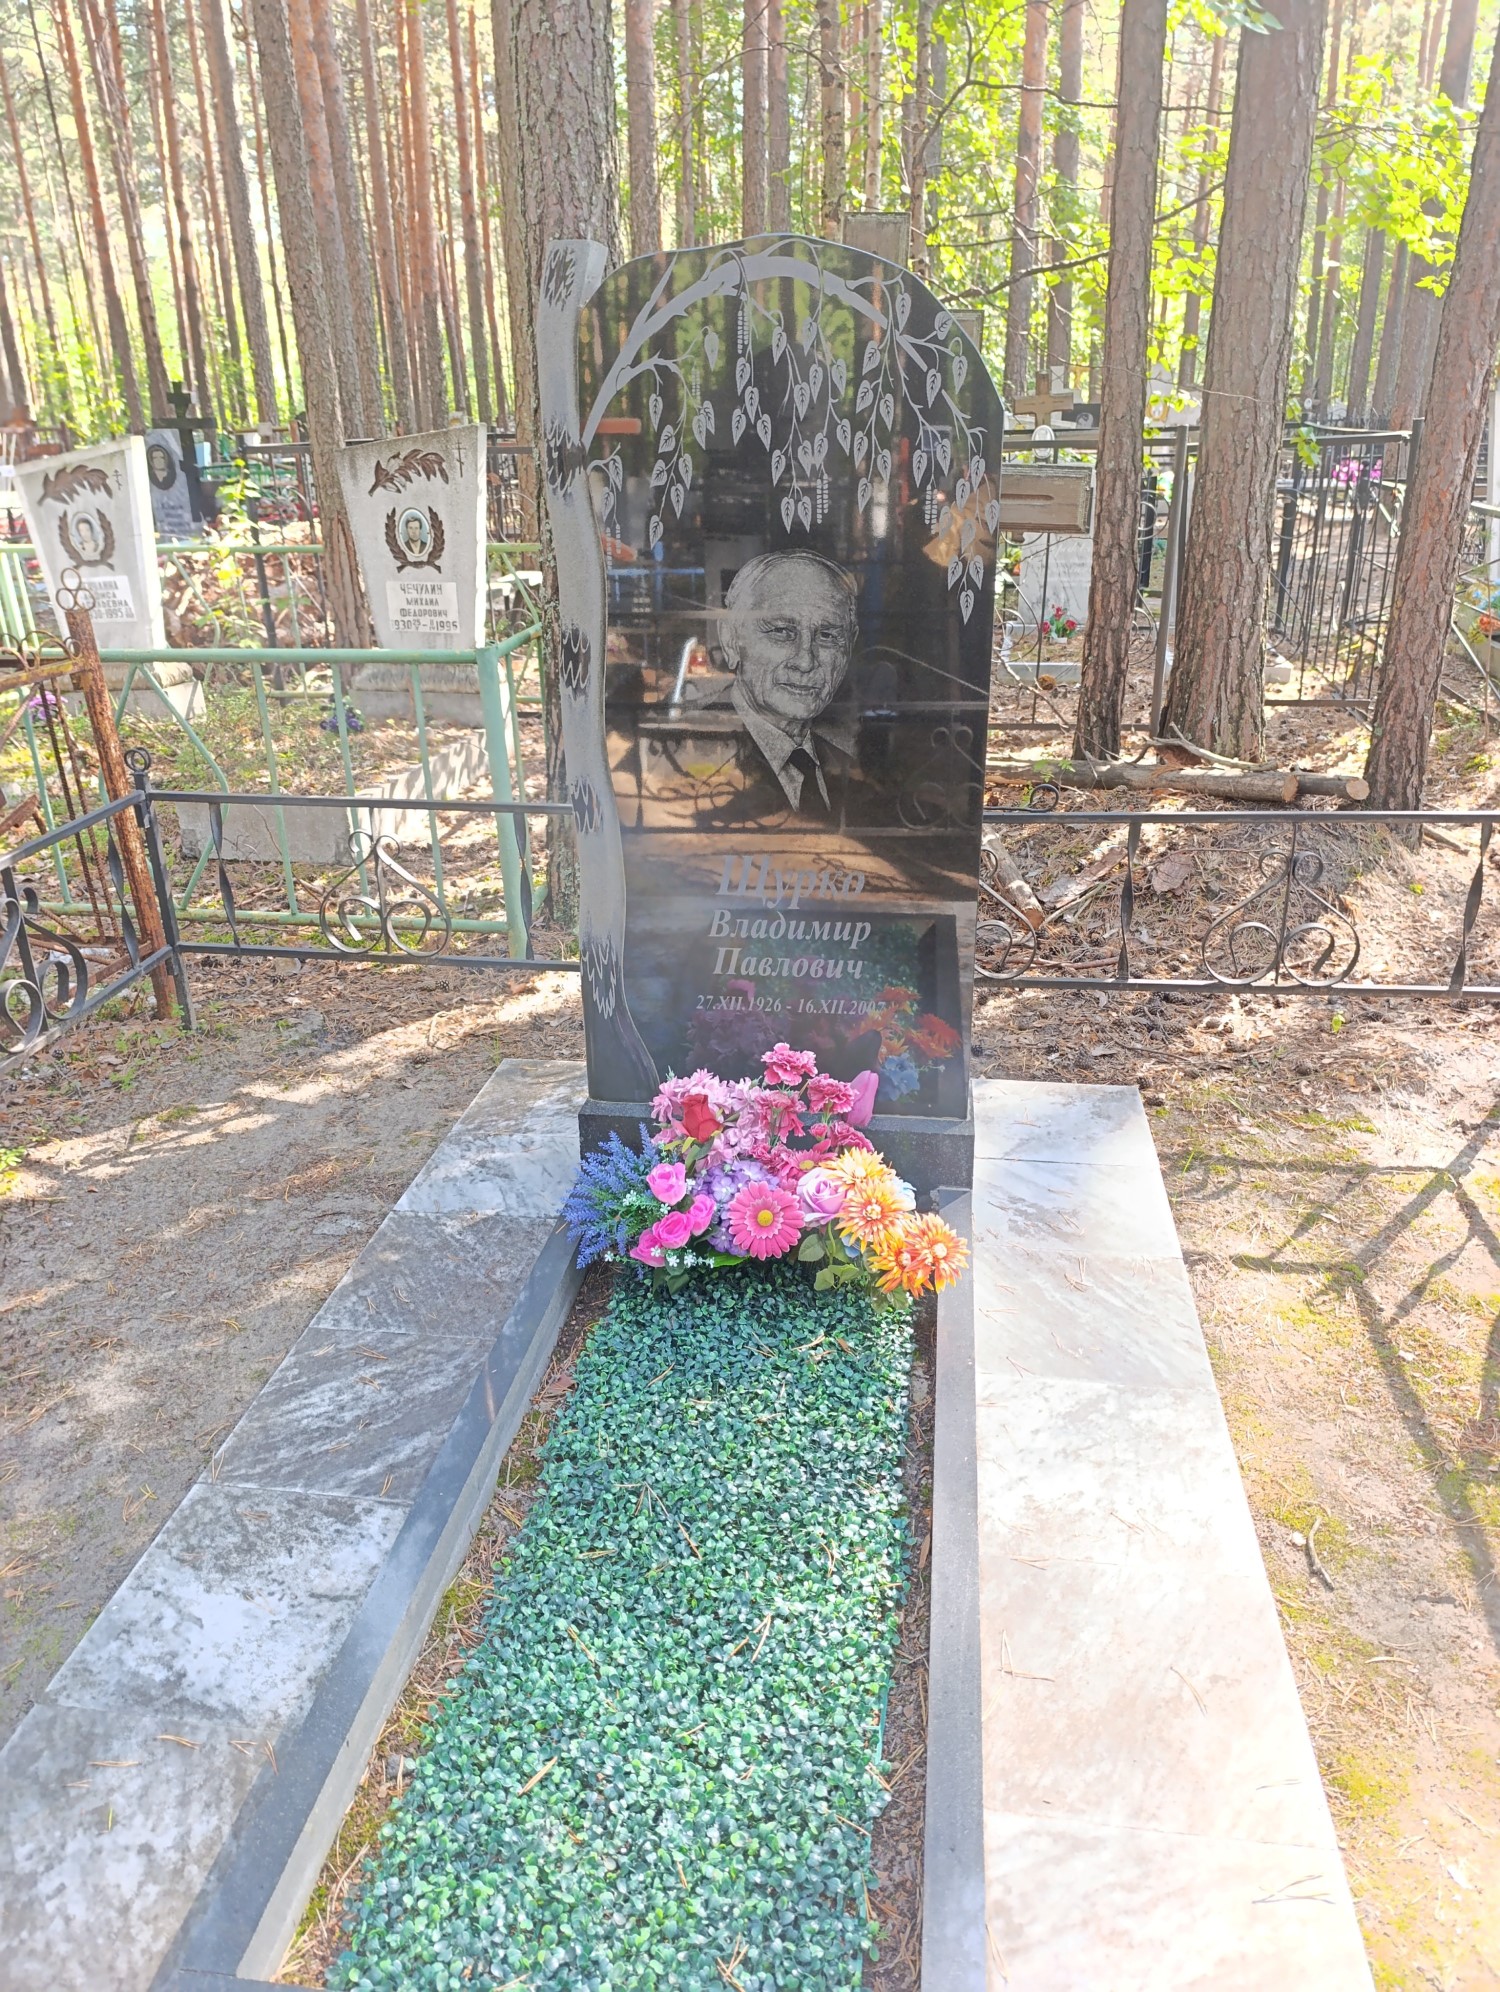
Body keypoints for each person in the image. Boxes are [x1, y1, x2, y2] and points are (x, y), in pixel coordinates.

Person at [716, 549, 858, 811]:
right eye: (781, 631)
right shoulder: (691, 744)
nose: (805, 661)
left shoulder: (848, 756)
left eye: (827, 636)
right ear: (731, 640)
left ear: (850, 645)